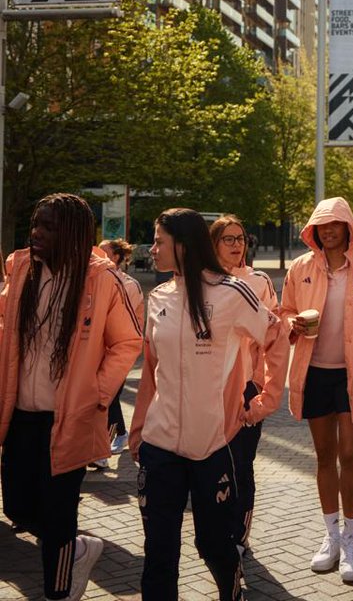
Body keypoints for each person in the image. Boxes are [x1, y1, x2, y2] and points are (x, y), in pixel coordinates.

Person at [130, 208, 286, 601]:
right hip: (159, 445)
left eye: (159, 240)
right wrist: (138, 429)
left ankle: (231, 593)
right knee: (158, 554)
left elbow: (276, 334)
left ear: (182, 245)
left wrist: (265, 400)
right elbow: (152, 370)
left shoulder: (233, 293)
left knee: (213, 546)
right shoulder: (159, 296)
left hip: (213, 446)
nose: (152, 248)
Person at [0, 194, 142, 601]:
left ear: (73, 233)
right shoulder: (22, 266)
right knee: (19, 510)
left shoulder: (103, 279)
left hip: (68, 417)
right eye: (34, 224)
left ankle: (59, 590)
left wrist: (96, 394)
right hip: (21, 414)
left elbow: (128, 341)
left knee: (59, 513)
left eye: (46, 226)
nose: (36, 233)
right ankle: (79, 548)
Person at [281, 197, 353, 583]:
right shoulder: (301, 268)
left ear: (348, 227)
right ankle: (329, 535)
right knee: (323, 456)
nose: (328, 230)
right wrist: (292, 325)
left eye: (336, 224)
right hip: (314, 373)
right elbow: (283, 312)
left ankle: (351, 537)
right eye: (322, 225)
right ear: (313, 230)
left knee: (350, 455)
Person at [210, 214, 283, 554]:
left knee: (241, 464)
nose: (237, 244)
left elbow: (274, 336)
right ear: (213, 244)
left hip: (247, 388)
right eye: (229, 238)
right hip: (208, 389)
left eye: (241, 238)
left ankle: (239, 534)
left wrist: (264, 394)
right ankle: (217, 529)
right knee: (212, 464)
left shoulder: (259, 282)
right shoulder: (200, 282)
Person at [97, 237, 144, 458]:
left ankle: (108, 443)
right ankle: (118, 435)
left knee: (111, 396)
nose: (98, 253)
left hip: (119, 352)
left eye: (104, 251)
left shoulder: (129, 284)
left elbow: (128, 321)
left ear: (116, 257)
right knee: (111, 396)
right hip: (98, 353)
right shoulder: (97, 279)